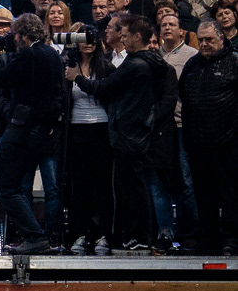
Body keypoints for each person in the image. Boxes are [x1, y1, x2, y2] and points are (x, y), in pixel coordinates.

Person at [71, 14, 188, 253]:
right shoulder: (154, 63)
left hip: (130, 134)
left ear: (137, 36)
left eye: (124, 35)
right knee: (137, 188)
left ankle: (139, 236)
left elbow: (104, 87)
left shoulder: (135, 64)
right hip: (139, 133)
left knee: (134, 189)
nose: (121, 39)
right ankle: (138, 235)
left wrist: (78, 78)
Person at [0, 14, 65, 253]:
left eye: (15, 35)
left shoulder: (28, 54)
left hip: (23, 128)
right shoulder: (53, 54)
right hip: (42, 129)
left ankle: (34, 236)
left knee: (5, 186)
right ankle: (35, 236)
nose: (13, 39)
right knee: (15, 185)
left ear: (22, 34)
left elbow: (1, 78)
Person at [179, 20, 238, 255]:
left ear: (221, 39)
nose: (204, 44)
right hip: (198, 143)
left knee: (230, 193)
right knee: (204, 195)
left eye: (209, 40)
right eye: (201, 39)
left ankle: (232, 238)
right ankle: (209, 237)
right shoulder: (192, 64)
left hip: (228, 142)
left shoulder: (234, 61)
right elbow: (183, 94)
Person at [61, 26, 114, 255]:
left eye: (93, 39)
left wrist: (78, 78)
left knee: (102, 185)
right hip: (76, 129)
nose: (88, 43)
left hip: (101, 128)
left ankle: (103, 235)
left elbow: (104, 92)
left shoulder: (106, 67)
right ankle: (79, 234)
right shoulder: (68, 65)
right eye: (84, 38)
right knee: (79, 186)